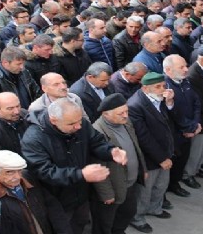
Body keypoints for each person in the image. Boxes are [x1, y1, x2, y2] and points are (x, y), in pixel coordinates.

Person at [20, 98, 127, 234]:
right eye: (71, 124)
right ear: (54, 121)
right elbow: (45, 172)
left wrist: (110, 151)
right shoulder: (33, 139)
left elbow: (96, 141)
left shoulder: (79, 123)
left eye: (79, 121)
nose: (78, 127)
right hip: (56, 199)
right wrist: (81, 174)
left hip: (81, 193)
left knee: (80, 223)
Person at [127, 72, 176, 232]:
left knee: (161, 185)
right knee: (144, 191)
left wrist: (169, 103)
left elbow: (167, 121)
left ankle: (155, 208)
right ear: (146, 87)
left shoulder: (158, 98)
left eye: (163, 85)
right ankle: (138, 217)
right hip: (150, 157)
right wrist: (161, 158)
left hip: (164, 152)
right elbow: (143, 137)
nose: (163, 89)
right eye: (158, 86)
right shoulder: (135, 105)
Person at [91, 94, 146, 234]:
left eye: (126, 111)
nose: (125, 115)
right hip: (113, 188)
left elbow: (136, 147)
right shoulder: (97, 132)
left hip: (129, 184)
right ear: (106, 114)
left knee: (128, 212)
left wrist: (142, 169)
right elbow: (98, 166)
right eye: (121, 113)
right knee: (105, 222)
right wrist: (107, 194)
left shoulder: (126, 123)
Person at [0, 150, 71, 234]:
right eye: (9, 172)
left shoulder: (28, 177)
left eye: (19, 170)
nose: (18, 177)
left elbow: (52, 207)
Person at [163, 55, 203, 197]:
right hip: (175, 135)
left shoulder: (185, 82)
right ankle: (164, 191)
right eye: (182, 67)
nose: (186, 69)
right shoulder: (164, 87)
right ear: (168, 70)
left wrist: (195, 124)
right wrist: (189, 128)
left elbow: (196, 102)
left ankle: (175, 184)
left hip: (188, 131)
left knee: (181, 161)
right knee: (171, 163)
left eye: (186, 65)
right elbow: (173, 114)